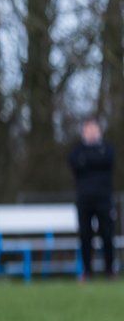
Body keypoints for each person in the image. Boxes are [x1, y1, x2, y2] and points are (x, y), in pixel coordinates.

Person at [68, 119, 116, 280]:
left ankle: (110, 270)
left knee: (107, 234)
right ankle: (87, 271)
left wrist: (87, 161)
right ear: (83, 133)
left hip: (104, 199)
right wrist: (93, 160)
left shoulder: (107, 149)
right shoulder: (77, 151)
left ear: (99, 132)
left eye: (94, 130)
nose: (91, 133)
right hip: (84, 200)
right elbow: (74, 163)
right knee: (85, 236)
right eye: (88, 130)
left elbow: (107, 161)